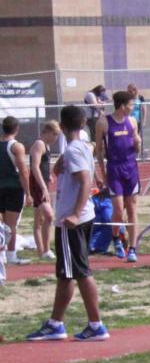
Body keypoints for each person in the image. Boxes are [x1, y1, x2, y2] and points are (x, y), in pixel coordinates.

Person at [25, 105, 107, 342]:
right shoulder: (78, 149)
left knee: (79, 271)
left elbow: (85, 182)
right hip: (78, 217)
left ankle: (96, 324)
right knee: (66, 273)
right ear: (83, 125)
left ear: (61, 127)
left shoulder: (73, 151)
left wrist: (74, 213)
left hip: (73, 220)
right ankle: (55, 323)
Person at [97, 90, 142, 262]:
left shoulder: (132, 121)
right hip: (114, 168)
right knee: (117, 208)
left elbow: (136, 146)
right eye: (131, 105)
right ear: (122, 106)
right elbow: (99, 151)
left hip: (130, 168)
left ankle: (132, 248)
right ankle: (116, 238)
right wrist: (102, 173)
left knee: (131, 208)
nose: (133, 108)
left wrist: (137, 143)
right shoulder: (104, 122)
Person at [27, 119, 59, 261]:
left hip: (43, 181)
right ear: (47, 132)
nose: (55, 138)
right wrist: (43, 186)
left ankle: (42, 251)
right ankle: (45, 249)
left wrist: (49, 177)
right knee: (49, 216)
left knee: (39, 219)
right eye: (54, 134)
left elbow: (44, 166)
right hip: (38, 184)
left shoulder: (47, 145)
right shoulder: (39, 144)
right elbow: (34, 166)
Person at [0, 117, 25, 267]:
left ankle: (3, 254)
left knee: (2, 224)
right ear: (17, 129)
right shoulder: (16, 146)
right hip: (14, 188)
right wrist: (28, 192)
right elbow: (23, 171)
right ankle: (11, 255)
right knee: (11, 225)